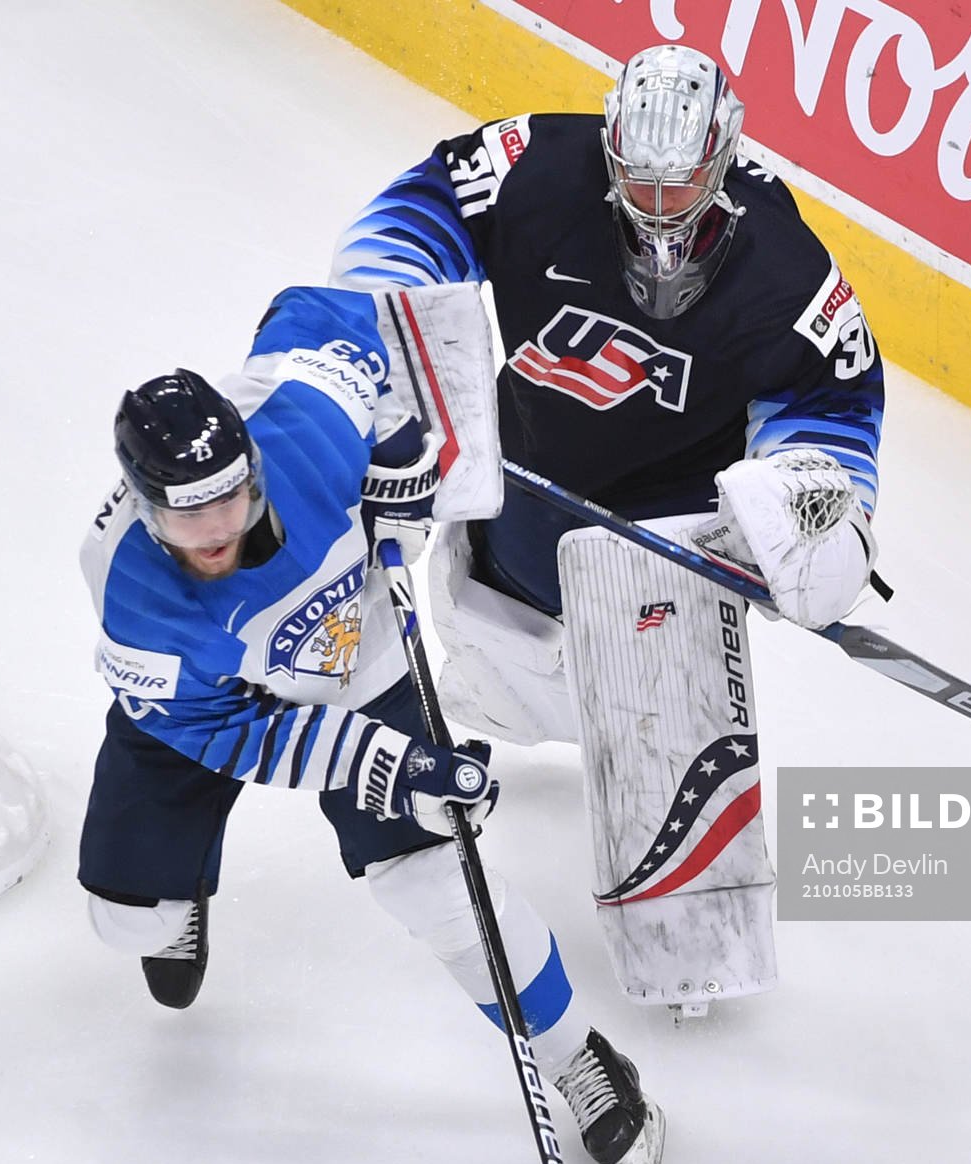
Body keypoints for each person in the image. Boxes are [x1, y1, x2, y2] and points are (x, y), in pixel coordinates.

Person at [330, 45, 885, 1016]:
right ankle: (496, 705)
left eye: (679, 184)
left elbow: (832, 405)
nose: (656, 201)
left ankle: (688, 933)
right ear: (613, 142)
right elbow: (420, 209)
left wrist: (809, 499)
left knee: (664, 725)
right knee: (499, 647)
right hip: (525, 473)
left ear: (720, 158)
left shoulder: (786, 272)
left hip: (671, 523)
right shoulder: (539, 166)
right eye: (637, 174)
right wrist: (391, 309)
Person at [75, 285, 664, 1164]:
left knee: (432, 881)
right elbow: (234, 736)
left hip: (363, 660)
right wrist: (386, 764)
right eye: (188, 519)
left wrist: (399, 474)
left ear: (251, 468)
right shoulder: (133, 599)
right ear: (146, 509)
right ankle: (174, 888)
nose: (218, 533)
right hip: (208, 707)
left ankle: (576, 1056)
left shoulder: (304, 420)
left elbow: (321, 312)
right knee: (125, 921)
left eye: (230, 502)